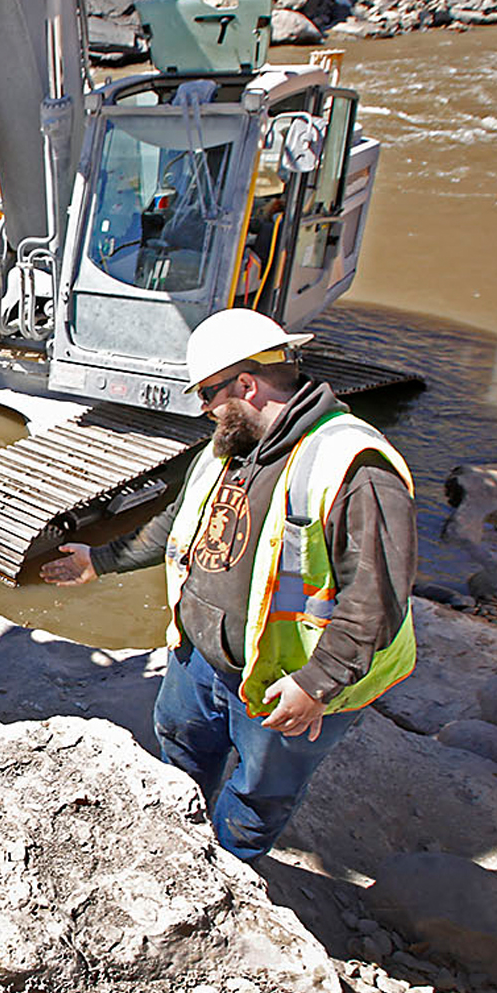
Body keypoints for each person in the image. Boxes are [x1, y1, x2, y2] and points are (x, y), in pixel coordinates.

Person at [41, 308, 417, 860]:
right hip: (198, 662)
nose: (204, 410)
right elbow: (181, 521)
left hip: (280, 682)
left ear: (246, 384)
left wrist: (317, 682)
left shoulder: (351, 465)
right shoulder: (232, 446)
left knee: (258, 795)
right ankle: (177, 851)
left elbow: (376, 596)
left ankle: (227, 875)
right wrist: (102, 559)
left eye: (209, 395)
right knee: (180, 758)